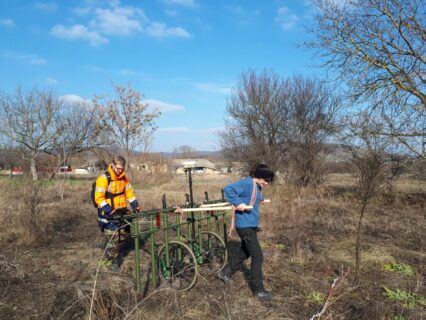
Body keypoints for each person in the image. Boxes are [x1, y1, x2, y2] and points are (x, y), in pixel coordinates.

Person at [217, 164, 275, 301]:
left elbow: (251, 197)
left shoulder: (257, 186)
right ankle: (259, 290)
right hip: (244, 225)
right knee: (258, 256)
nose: (267, 183)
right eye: (266, 180)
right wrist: (238, 203)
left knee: (245, 252)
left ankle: (225, 272)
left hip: (251, 224)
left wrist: (261, 200)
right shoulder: (246, 183)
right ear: (259, 177)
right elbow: (228, 190)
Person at [94, 155, 141, 271]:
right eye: (118, 168)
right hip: (108, 211)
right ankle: (111, 261)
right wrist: (110, 211)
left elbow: (129, 193)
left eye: (122, 168)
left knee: (126, 230)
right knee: (113, 236)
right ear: (113, 165)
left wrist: (135, 205)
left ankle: (111, 244)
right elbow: (98, 198)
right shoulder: (104, 178)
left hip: (121, 209)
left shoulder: (124, 178)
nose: (120, 171)